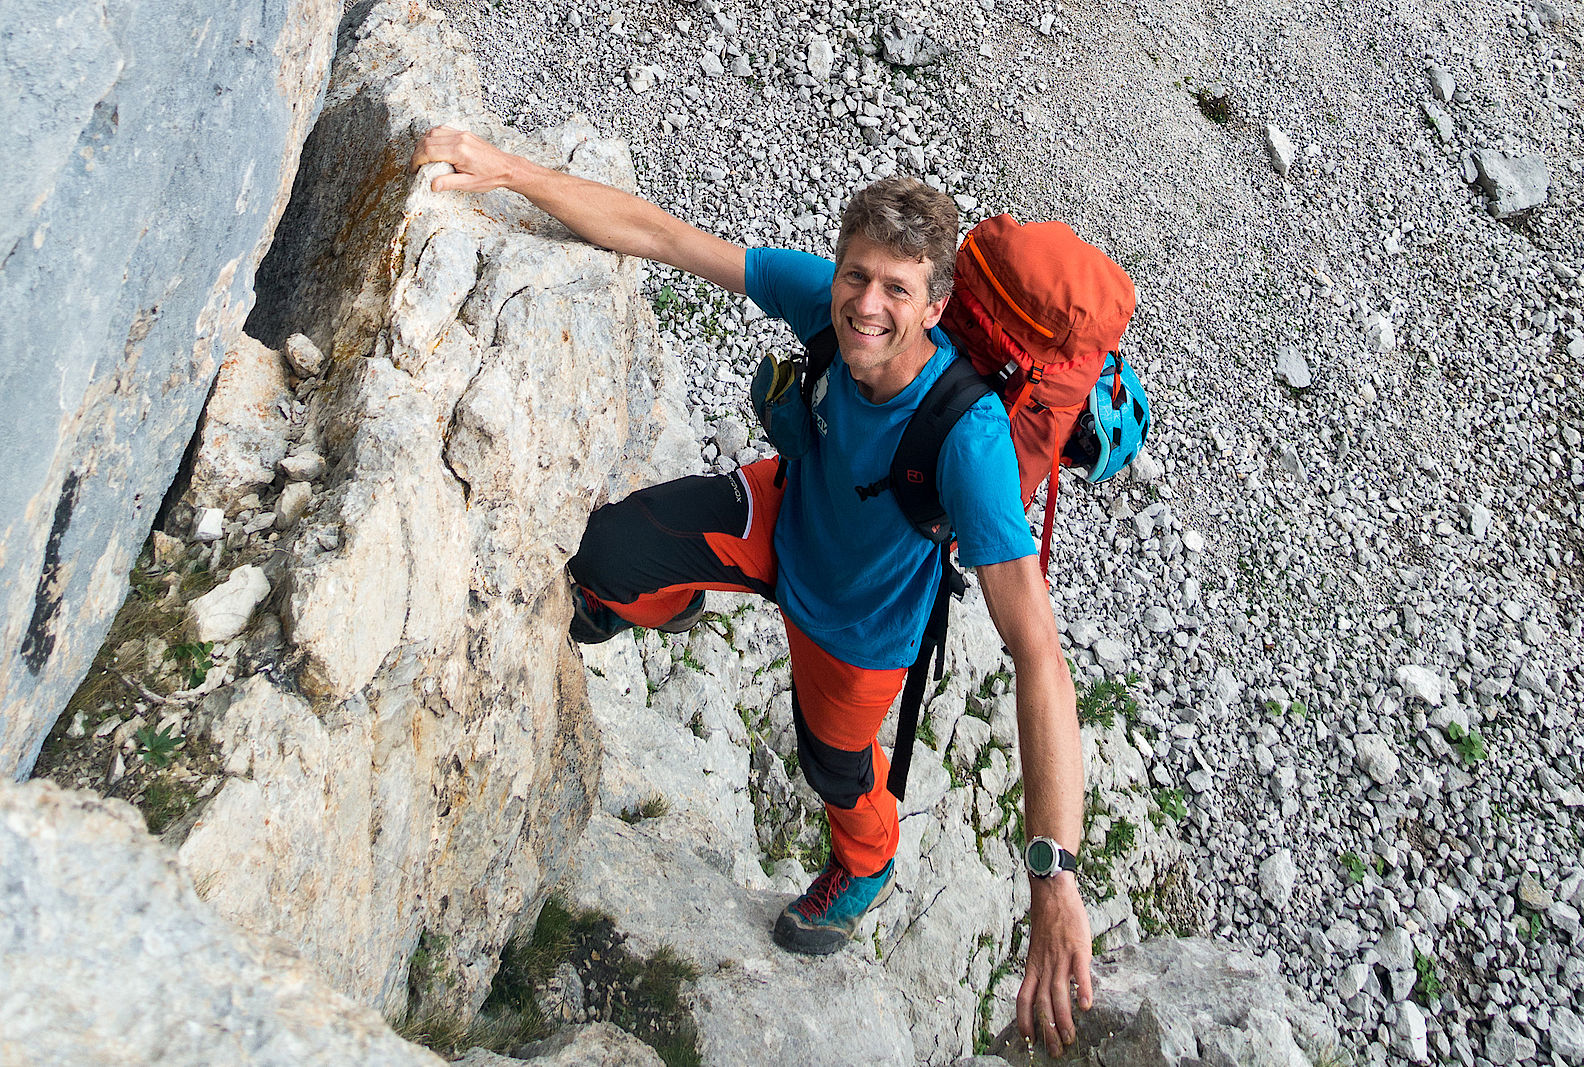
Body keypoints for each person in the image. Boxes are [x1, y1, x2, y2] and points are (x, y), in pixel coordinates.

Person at [411, 126, 1094, 1055]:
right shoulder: (826, 301)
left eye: (897, 288)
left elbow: (1037, 653)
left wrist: (1054, 875)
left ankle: (866, 863)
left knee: (834, 768)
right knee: (607, 552)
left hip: (855, 628)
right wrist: (511, 172)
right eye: (856, 276)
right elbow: (666, 238)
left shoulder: (967, 440)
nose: (865, 305)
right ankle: (670, 597)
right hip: (785, 515)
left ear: (936, 306)